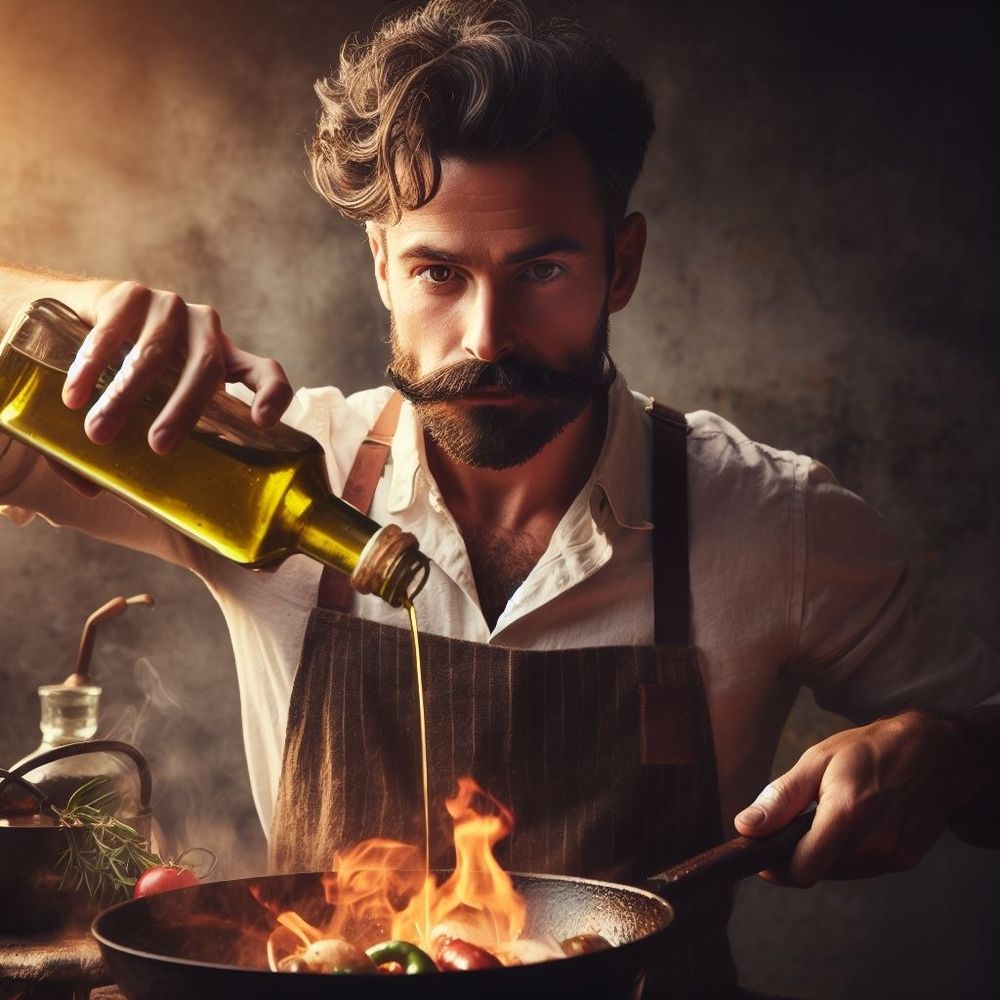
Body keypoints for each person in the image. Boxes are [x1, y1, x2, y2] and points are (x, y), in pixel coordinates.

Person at [0, 0, 997, 988]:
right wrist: (73, 308)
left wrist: (950, 754)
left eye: (542, 268)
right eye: (439, 271)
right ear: (382, 266)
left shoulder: (775, 520)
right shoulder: (251, 467)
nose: (486, 336)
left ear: (621, 264)